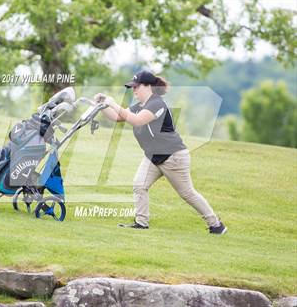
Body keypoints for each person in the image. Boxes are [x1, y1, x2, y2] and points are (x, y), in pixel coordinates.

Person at [94, 70, 227, 234]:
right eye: (132, 87)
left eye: (136, 87)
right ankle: (141, 223)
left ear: (148, 86)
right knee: (139, 185)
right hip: (153, 156)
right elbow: (117, 117)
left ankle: (216, 225)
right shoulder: (138, 106)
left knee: (187, 193)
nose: (133, 90)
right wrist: (102, 105)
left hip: (174, 157)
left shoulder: (157, 104)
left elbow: (136, 120)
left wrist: (113, 103)